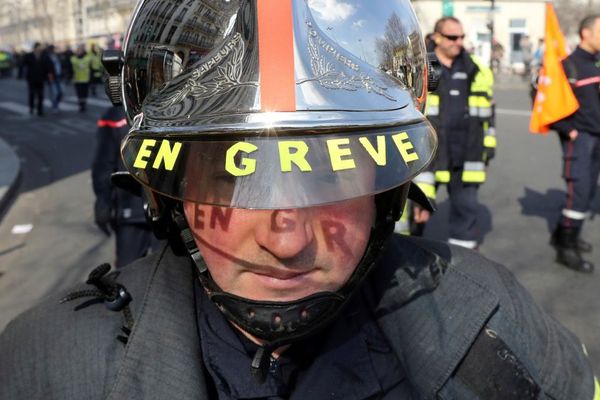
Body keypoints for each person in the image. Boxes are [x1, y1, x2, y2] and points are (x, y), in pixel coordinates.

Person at [0, 1, 597, 398]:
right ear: (164, 193)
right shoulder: (47, 366)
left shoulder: (494, 324)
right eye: (234, 177)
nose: (284, 239)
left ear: (389, 193)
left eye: (328, 176)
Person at [411, 16, 496, 250]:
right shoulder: (420, 68)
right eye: (452, 37)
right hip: (428, 157)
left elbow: (489, 114)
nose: (458, 42)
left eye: (461, 37)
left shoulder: (476, 69)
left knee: (467, 213)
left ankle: (465, 266)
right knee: (415, 214)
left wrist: (488, 149)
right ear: (437, 37)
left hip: (467, 156)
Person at [549, 14, 600, 273]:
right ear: (586, 33)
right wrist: (569, 131)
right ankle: (565, 249)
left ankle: (566, 235)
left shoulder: (596, 63)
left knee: (589, 190)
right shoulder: (567, 66)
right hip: (580, 139)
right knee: (578, 192)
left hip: (596, 138)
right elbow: (542, 98)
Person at [92, 105, 160, 268]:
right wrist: (103, 200)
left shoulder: (175, 106)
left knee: (172, 279)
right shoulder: (115, 116)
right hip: (132, 210)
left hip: (166, 212)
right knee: (128, 277)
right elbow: (104, 163)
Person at [21, 42, 54, 116]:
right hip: (31, 78)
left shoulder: (44, 56)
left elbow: (49, 66)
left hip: (41, 78)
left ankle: (40, 110)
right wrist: (20, 74)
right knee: (32, 94)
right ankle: (31, 108)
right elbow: (22, 64)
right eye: (38, 47)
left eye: (40, 47)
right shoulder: (29, 55)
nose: (40, 49)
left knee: (40, 95)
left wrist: (50, 75)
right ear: (35, 48)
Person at [70, 44, 92, 112]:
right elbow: (70, 69)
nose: (79, 52)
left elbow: (90, 68)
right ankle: (81, 105)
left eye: (80, 50)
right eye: (78, 50)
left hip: (85, 79)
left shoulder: (87, 58)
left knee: (85, 93)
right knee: (79, 94)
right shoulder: (73, 59)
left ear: (83, 51)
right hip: (77, 80)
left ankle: (83, 104)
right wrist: (70, 77)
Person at [46, 45, 63, 113]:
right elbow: (46, 67)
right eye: (53, 49)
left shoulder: (57, 56)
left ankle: (56, 103)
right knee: (53, 92)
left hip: (58, 75)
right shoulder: (47, 57)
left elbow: (60, 64)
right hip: (51, 76)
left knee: (60, 92)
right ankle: (54, 105)